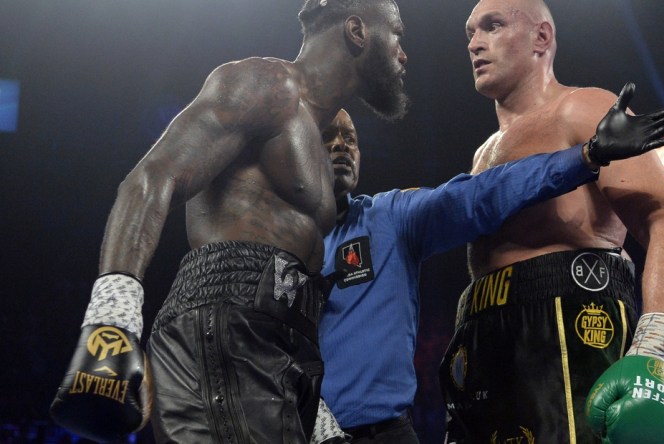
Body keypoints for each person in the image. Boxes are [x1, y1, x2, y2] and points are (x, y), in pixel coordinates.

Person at [49, 0, 410, 443]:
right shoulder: (266, 84)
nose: (402, 52)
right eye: (397, 34)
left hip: (280, 351)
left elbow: (283, 304)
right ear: (357, 31)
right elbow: (151, 178)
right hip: (223, 335)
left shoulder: (316, 150)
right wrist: (113, 319)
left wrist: (315, 415)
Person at [314, 94, 664, 442]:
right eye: (327, 135)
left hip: (382, 435)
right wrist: (315, 422)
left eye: (350, 138)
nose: (341, 146)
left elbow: (481, 194)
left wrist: (587, 155)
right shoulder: (262, 242)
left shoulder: (389, 217)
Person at [438, 1, 664, 443]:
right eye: (470, 32)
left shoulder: (582, 107)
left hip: (568, 326)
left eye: (493, 25)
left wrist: (655, 356)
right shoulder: (484, 151)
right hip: (480, 338)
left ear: (541, 38)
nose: (474, 43)